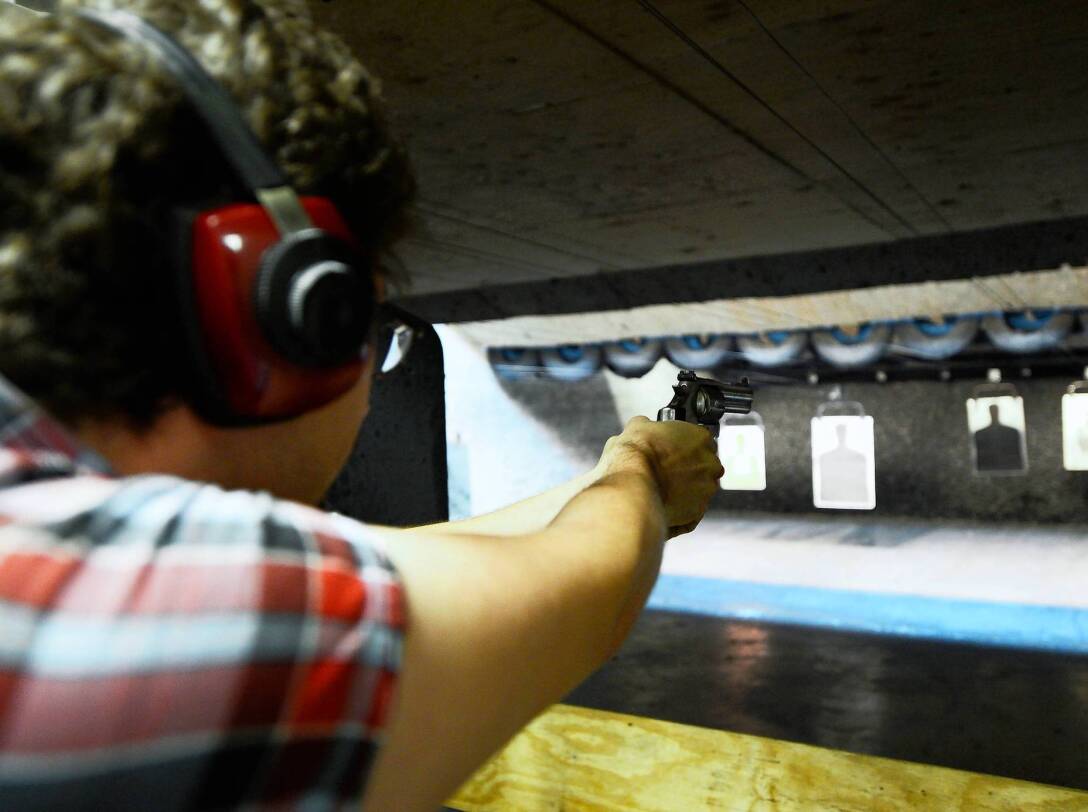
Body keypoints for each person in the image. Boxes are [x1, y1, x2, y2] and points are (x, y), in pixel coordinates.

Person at [0, 2, 723, 810]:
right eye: (362, 322)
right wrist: (643, 469)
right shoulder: (108, 617)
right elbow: (588, 594)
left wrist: (602, 479)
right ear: (303, 313)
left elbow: (395, 559)